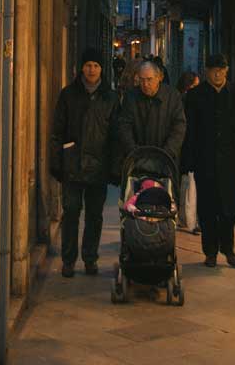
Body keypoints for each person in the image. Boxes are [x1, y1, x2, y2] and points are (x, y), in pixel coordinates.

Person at [49, 48, 118, 278]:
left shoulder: (110, 98)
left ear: (101, 69)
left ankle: (90, 258)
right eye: (88, 65)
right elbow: (57, 131)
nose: (92, 69)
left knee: (94, 216)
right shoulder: (68, 95)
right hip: (73, 165)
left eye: (96, 65)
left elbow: (115, 133)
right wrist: (57, 162)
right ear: (82, 67)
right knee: (70, 213)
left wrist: (114, 166)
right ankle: (68, 260)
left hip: (98, 166)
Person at [183, 52, 235, 268]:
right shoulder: (196, 96)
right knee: (207, 209)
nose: (218, 73)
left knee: (229, 209)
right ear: (207, 71)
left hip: (231, 162)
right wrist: (189, 162)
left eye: (222, 69)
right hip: (206, 161)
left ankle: (228, 248)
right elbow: (189, 131)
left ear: (227, 70)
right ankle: (210, 251)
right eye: (214, 70)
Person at [117, 59, 186, 164]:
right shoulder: (131, 97)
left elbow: (179, 127)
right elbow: (124, 126)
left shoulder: (172, 96)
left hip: (166, 161)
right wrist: (133, 151)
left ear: (158, 78)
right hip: (137, 161)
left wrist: (167, 153)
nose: (145, 84)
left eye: (149, 79)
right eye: (142, 79)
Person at [177, 70, 200, 234]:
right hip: (186, 150)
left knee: (187, 185)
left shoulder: (179, 100)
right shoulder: (187, 101)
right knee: (189, 187)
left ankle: (186, 219)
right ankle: (189, 221)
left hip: (182, 150)